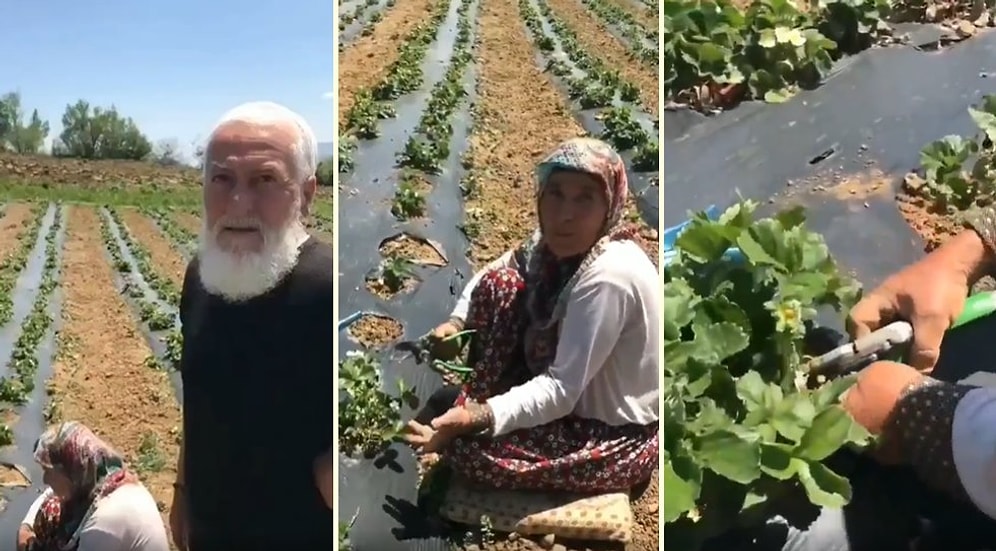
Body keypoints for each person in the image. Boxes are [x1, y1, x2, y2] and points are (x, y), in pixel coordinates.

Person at [403, 137, 659, 493]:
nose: (564, 214)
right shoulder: (556, 245)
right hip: (571, 394)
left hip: (609, 433)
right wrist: (456, 322)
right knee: (500, 284)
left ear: (610, 206)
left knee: (463, 449)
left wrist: (477, 417)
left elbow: (561, 389)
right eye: (555, 193)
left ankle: (481, 411)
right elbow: (495, 270)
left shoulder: (608, 277)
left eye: (585, 197)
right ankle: (489, 396)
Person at [168, 101, 333, 550]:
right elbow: (199, 398)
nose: (239, 203)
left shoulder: (327, 291)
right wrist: (184, 492)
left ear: (306, 192)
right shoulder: (202, 277)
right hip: (211, 528)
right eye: (222, 179)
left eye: (265, 180)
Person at [16, 422, 169, 551]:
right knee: (51, 506)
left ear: (70, 472)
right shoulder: (106, 479)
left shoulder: (102, 524)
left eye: (48, 472)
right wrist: (27, 526)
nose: (44, 479)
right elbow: (48, 494)